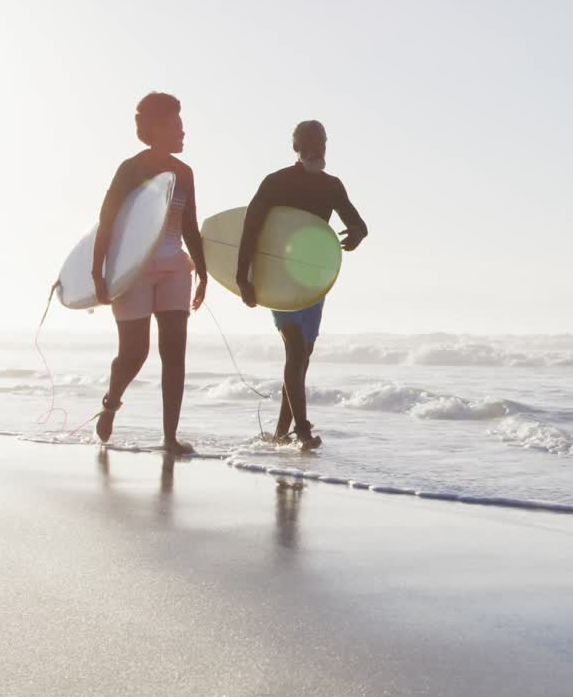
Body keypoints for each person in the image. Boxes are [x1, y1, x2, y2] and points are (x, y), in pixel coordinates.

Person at [236, 120, 367, 450]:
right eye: (309, 143)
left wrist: (356, 234)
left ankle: (282, 432)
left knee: (301, 357)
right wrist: (243, 277)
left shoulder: (331, 186)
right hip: (280, 278)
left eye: (321, 143)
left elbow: (357, 222)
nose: (316, 149)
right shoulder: (276, 182)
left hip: (313, 280)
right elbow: (250, 228)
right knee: (295, 351)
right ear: (296, 147)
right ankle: (303, 430)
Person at [91, 92, 208, 455]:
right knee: (135, 353)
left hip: (174, 267)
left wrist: (203, 273)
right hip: (134, 269)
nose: (183, 131)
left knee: (175, 353)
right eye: (176, 124)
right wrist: (99, 272)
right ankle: (111, 402)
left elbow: (189, 225)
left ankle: (170, 437)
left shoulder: (185, 173)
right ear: (156, 128)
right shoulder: (131, 168)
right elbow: (107, 219)